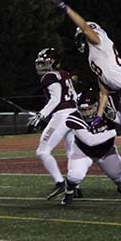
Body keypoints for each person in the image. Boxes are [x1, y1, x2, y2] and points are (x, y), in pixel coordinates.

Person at [51, 0, 121, 184]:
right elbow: (103, 91)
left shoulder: (99, 40)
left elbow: (86, 27)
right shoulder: (92, 57)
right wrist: (98, 115)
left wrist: (68, 10)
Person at [56, 86, 121, 206]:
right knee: (75, 176)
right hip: (83, 151)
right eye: (83, 110)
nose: (86, 112)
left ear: (97, 105)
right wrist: (115, 132)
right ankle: (69, 191)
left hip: (106, 150)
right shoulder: (74, 118)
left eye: (89, 109)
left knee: (118, 176)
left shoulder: (107, 109)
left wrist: (115, 117)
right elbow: (90, 141)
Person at [27, 48, 78, 199]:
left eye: (44, 63)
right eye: (39, 63)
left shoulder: (49, 77)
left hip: (62, 115)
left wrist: (41, 114)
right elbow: (74, 95)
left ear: (53, 62)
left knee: (43, 151)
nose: (40, 66)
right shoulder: (65, 74)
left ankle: (60, 183)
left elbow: (55, 99)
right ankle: (75, 186)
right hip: (74, 113)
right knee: (71, 152)